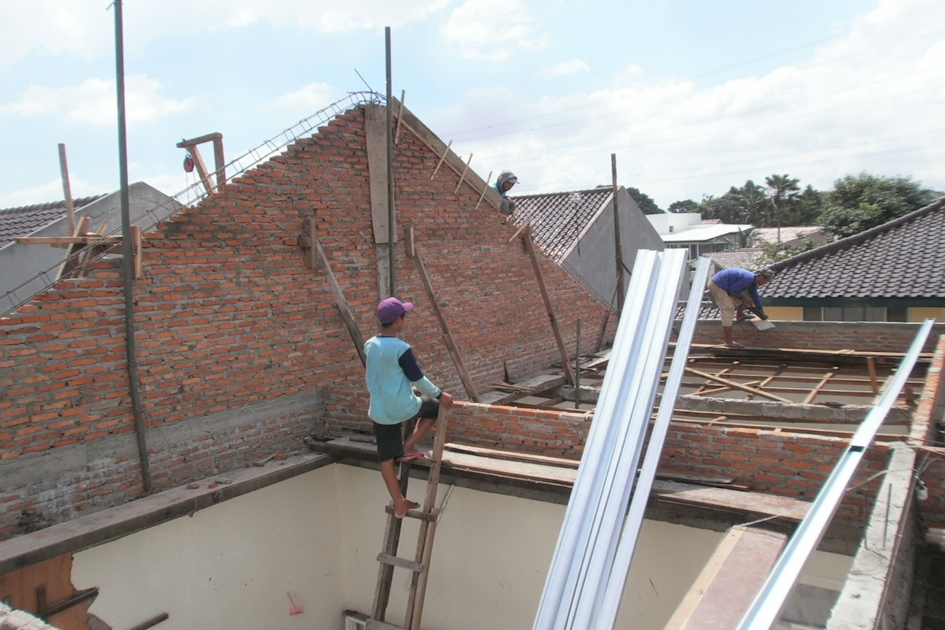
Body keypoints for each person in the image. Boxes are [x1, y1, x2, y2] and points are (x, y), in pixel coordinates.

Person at [364, 297, 455, 518]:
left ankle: (399, 502)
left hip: (379, 410)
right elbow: (418, 379)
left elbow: (385, 374)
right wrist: (441, 394)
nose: (405, 321)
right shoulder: (401, 348)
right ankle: (409, 446)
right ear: (397, 321)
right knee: (433, 407)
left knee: (385, 457)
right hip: (402, 407)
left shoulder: (370, 344)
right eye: (404, 317)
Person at [707, 268, 775, 349]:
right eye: (766, 281)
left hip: (727, 284)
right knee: (728, 309)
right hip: (717, 284)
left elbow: (754, 295)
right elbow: (733, 290)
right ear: (762, 278)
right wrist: (742, 298)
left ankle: (740, 315)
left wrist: (761, 310)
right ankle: (728, 342)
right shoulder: (748, 279)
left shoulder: (753, 282)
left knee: (747, 294)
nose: (765, 283)